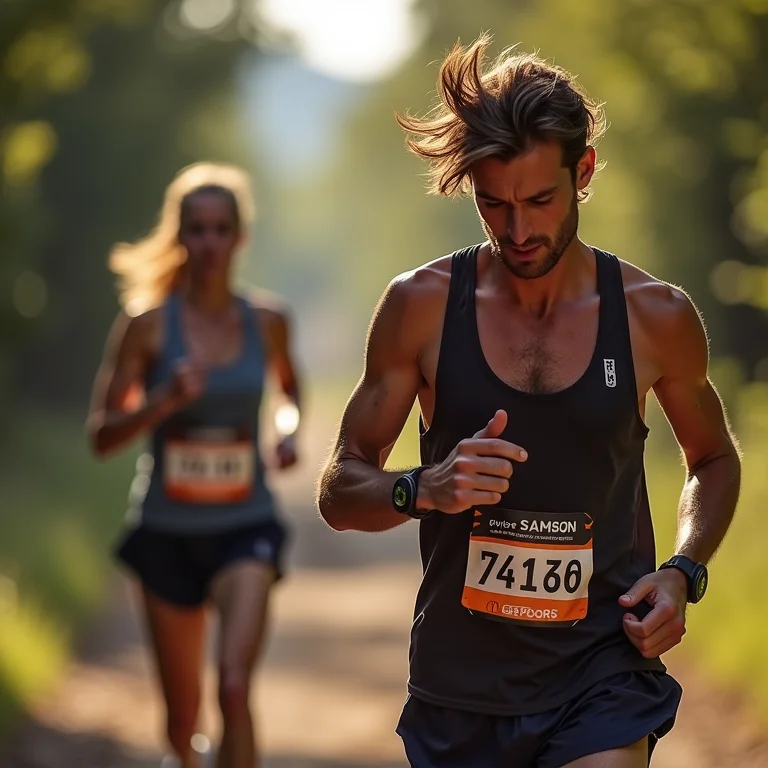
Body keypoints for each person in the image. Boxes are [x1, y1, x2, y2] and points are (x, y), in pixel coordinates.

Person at [316, 34, 741, 768]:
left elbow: (713, 459)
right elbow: (339, 487)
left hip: (601, 674)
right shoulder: (419, 308)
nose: (517, 230)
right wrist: (424, 487)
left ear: (584, 171)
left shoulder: (654, 315)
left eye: (540, 201)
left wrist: (683, 570)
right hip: (462, 688)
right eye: (493, 204)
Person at [86, 162, 302, 768]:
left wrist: (285, 436)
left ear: (241, 237)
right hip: (168, 534)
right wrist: (163, 401)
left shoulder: (269, 321)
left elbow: (289, 394)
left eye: (221, 229)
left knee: (234, 688)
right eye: (197, 230)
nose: (209, 243)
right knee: (182, 728)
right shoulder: (147, 329)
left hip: (245, 527)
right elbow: (101, 435)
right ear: (179, 237)